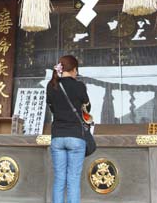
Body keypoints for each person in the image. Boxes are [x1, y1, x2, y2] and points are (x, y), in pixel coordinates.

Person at [46, 54, 91, 203]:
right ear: (74, 69)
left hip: (58, 136)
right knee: (73, 180)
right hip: (76, 137)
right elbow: (87, 108)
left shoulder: (51, 85)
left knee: (59, 179)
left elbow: (52, 108)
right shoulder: (79, 86)